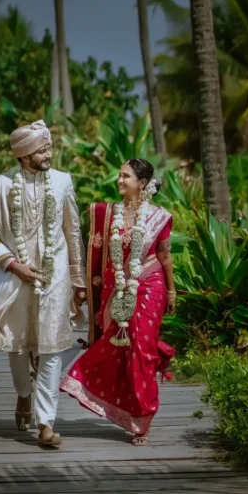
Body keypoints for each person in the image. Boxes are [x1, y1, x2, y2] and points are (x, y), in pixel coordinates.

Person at [0, 120, 86, 449]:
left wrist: (77, 280)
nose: (48, 154)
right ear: (24, 156)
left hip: (54, 279)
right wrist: (14, 265)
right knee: (17, 345)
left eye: (49, 147)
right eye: (42, 150)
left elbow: (73, 232)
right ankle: (24, 395)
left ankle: (45, 424)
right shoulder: (0, 186)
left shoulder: (63, 182)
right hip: (16, 278)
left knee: (53, 348)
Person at [60, 159, 176, 446]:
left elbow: (164, 257)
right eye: (120, 175)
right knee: (118, 347)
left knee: (141, 348)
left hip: (150, 285)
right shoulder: (108, 214)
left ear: (143, 184)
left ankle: (142, 419)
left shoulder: (159, 217)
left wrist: (172, 292)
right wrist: (85, 287)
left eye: (126, 176)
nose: (120, 180)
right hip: (119, 290)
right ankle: (118, 402)